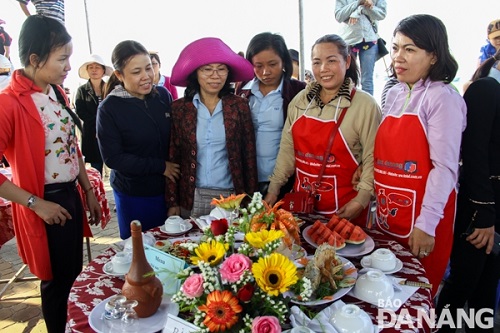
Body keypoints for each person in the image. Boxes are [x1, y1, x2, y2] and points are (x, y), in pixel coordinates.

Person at [0, 15, 101, 332]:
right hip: (44, 203)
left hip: (69, 196)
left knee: (74, 275)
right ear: (35, 59)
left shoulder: (57, 94)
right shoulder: (9, 103)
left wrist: (88, 192)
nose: (69, 66)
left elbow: (72, 149)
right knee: (55, 283)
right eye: (62, 58)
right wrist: (35, 204)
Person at [373, 14, 467, 298]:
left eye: (410, 49)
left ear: (434, 56)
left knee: (413, 299)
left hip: (422, 221)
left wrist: (426, 224)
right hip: (389, 218)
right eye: (395, 48)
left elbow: (445, 169)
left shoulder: (443, 98)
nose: (398, 57)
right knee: (383, 297)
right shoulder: (393, 94)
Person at [265, 34, 381, 226]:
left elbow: (372, 157)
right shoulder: (300, 101)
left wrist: (360, 200)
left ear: (347, 61)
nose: (323, 69)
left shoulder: (364, 105)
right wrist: (273, 190)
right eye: (317, 62)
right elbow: (287, 151)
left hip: (346, 211)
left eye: (331, 61)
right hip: (301, 210)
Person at [435, 63, 500, 332]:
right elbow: (472, 154)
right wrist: (484, 213)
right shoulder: (486, 88)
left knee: (486, 286)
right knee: (463, 283)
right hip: (480, 208)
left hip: (494, 208)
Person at [97, 40, 179, 239]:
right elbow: (114, 159)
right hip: (134, 194)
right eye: (136, 72)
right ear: (119, 75)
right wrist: (160, 166)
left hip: (167, 190)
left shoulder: (163, 96)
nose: (146, 77)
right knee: (140, 251)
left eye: (148, 68)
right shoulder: (109, 109)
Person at [167, 37, 258, 218]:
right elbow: (173, 157)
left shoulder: (239, 106)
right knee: (191, 246)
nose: (215, 76)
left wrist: (251, 201)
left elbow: (248, 156)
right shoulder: (180, 109)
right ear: (196, 74)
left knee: (230, 245)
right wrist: (172, 202)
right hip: (191, 196)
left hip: (231, 196)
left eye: (221, 69)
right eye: (207, 69)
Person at [238, 32, 306, 198]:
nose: (265, 72)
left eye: (272, 64)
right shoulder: (243, 91)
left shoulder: (299, 91)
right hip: (248, 179)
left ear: (283, 61)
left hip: (285, 180)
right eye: (258, 66)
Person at [335, 0, 387, 96]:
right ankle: (348, 108)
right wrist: (359, 3)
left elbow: (382, 14)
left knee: (367, 80)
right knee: (348, 79)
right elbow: (339, 16)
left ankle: (368, 109)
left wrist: (359, 11)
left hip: (369, 39)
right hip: (349, 40)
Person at [75, 54, 113, 176]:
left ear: (103, 70)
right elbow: (80, 111)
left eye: (97, 67)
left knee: (115, 162)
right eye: (91, 67)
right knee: (96, 167)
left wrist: (105, 124)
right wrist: (97, 123)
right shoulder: (81, 90)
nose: (94, 70)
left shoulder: (109, 88)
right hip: (91, 133)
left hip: (109, 131)